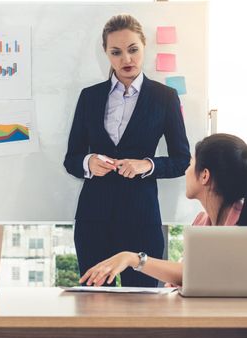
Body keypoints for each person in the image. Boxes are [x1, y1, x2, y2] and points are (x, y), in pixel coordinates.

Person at [63, 14, 190, 287]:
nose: (126, 59)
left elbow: (182, 160)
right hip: (93, 219)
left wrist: (148, 165)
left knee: (144, 308)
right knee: (94, 304)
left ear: (144, 46)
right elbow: (71, 159)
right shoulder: (90, 97)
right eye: (116, 52)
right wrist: (88, 162)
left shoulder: (164, 98)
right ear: (106, 54)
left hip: (141, 219)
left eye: (133, 50)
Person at [79, 133, 247, 287]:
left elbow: (194, 273)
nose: (185, 171)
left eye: (190, 164)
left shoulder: (241, 226)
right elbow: (185, 278)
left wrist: (132, 258)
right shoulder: (201, 222)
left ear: (205, 176)